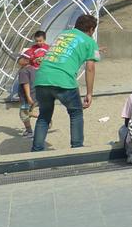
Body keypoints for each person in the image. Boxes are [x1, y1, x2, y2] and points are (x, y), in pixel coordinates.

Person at [31, 14, 101, 152]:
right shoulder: (90, 41)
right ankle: (77, 147)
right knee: (76, 112)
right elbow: (90, 68)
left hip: (41, 79)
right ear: (91, 29)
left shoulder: (63, 34)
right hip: (64, 80)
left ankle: (36, 150)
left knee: (44, 115)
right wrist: (89, 93)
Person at [6, 30, 48, 101]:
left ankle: (34, 97)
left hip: (44, 69)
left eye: (40, 41)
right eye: (37, 41)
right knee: (25, 74)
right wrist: (32, 60)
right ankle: (27, 97)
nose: (38, 43)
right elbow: (23, 59)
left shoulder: (48, 48)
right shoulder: (33, 49)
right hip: (34, 69)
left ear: (44, 40)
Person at [16, 54, 38, 137]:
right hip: (34, 94)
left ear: (26, 60)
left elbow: (26, 84)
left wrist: (28, 97)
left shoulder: (23, 71)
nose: (18, 60)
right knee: (29, 112)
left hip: (27, 97)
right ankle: (44, 118)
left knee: (24, 114)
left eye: (20, 58)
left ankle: (29, 131)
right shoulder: (32, 69)